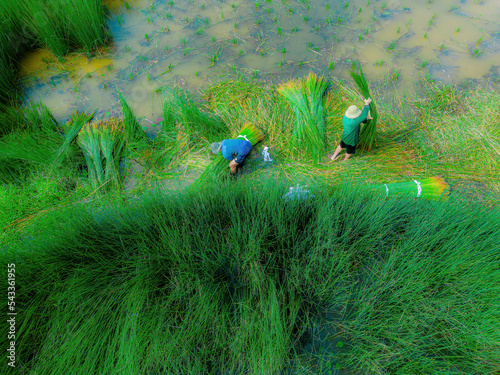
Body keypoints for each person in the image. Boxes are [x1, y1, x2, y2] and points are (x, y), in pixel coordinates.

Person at [330, 98, 373, 162]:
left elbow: (360, 119)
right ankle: (345, 160)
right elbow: (363, 115)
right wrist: (366, 104)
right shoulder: (355, 121)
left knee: (341, 146)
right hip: (351, 141)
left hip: (345, 137)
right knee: (349, 151)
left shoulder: (345, 117)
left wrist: (366, 118)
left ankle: (333, 156)